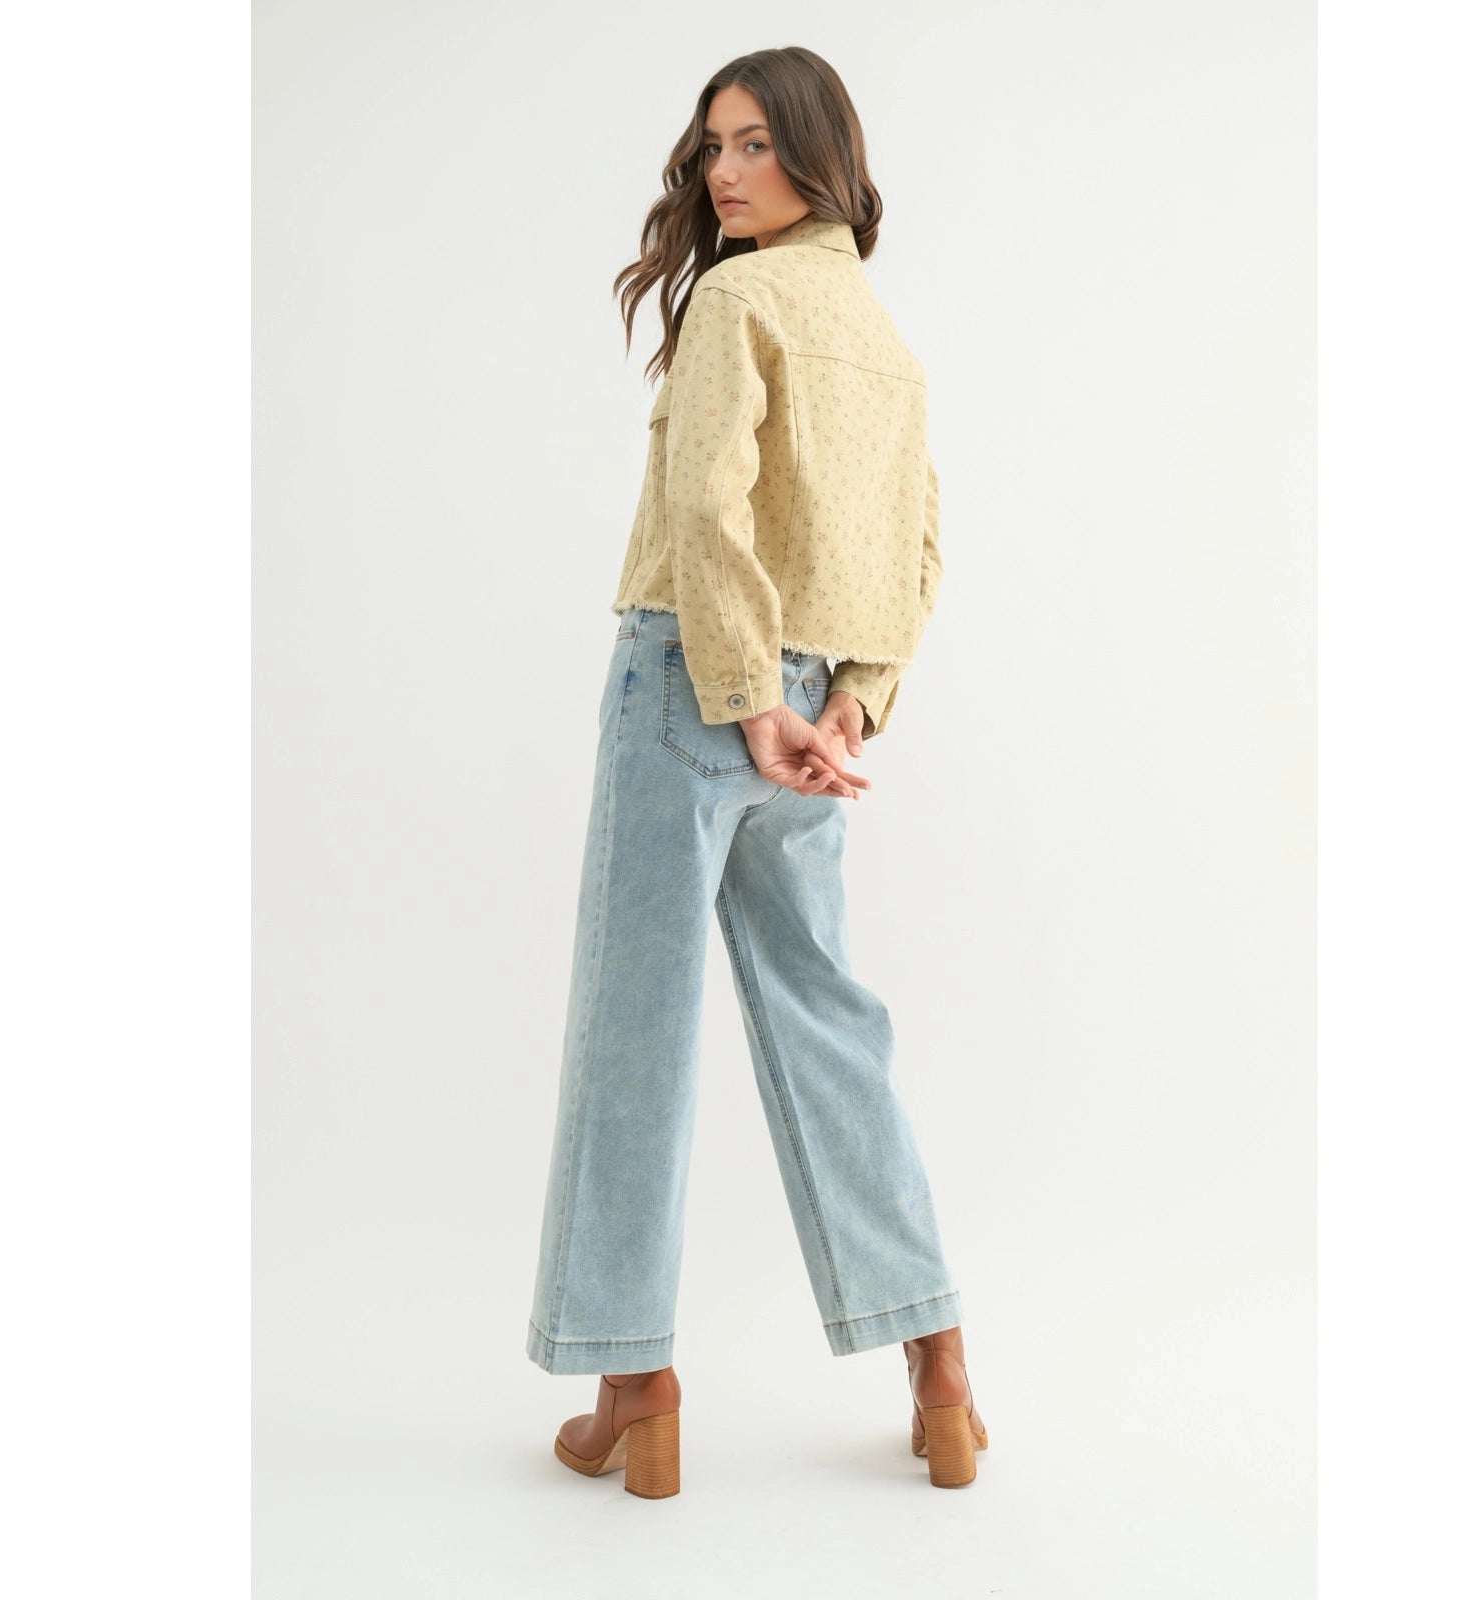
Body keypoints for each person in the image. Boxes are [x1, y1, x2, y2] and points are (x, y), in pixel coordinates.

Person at [525, 46, 987, 1497]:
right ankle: (940, 1365)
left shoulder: (737, 301)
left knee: (636, 1029)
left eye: (755, 145)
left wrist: (739, 698)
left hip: (694, 682)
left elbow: (706, 511)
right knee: (827, 1016)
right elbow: (916, 548)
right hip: (808, 718)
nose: (724, 173)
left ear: (817, 155)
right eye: (712, 145)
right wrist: (847, 704)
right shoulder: (881, 337)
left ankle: (635, 1382)